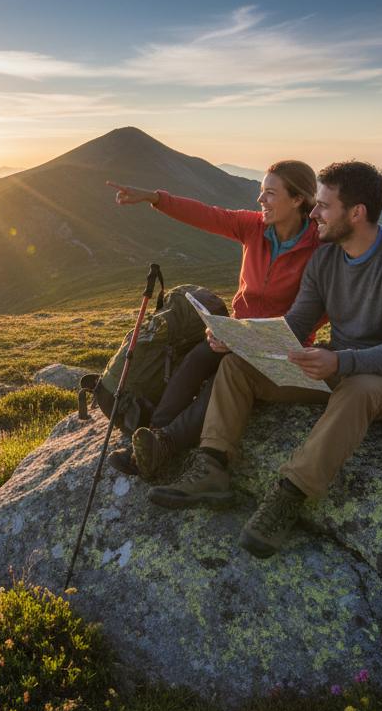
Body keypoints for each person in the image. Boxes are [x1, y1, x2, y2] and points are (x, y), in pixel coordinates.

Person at [146, 160, 382, 558]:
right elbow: (298, 322)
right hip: (339, 364)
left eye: (324, 206)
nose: (314, 213)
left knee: (357, 390)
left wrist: (340, 362)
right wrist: (240, 338)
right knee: (236, 367)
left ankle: (289, 495)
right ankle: (211, 467)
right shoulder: (326, 258)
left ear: (357, 213)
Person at [105, 162, 324, 479]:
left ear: (298, 199)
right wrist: (154, 198)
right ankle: (152, 434)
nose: (260, 199)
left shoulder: (319, 246)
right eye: (261, 191)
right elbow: (207, 214)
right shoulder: (254, 227)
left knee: (223, 375)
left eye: (270, 193)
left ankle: (165, 445)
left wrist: (251, 338)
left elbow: (316, 312)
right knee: (196, 359)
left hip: (284, 347)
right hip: (237, 335)